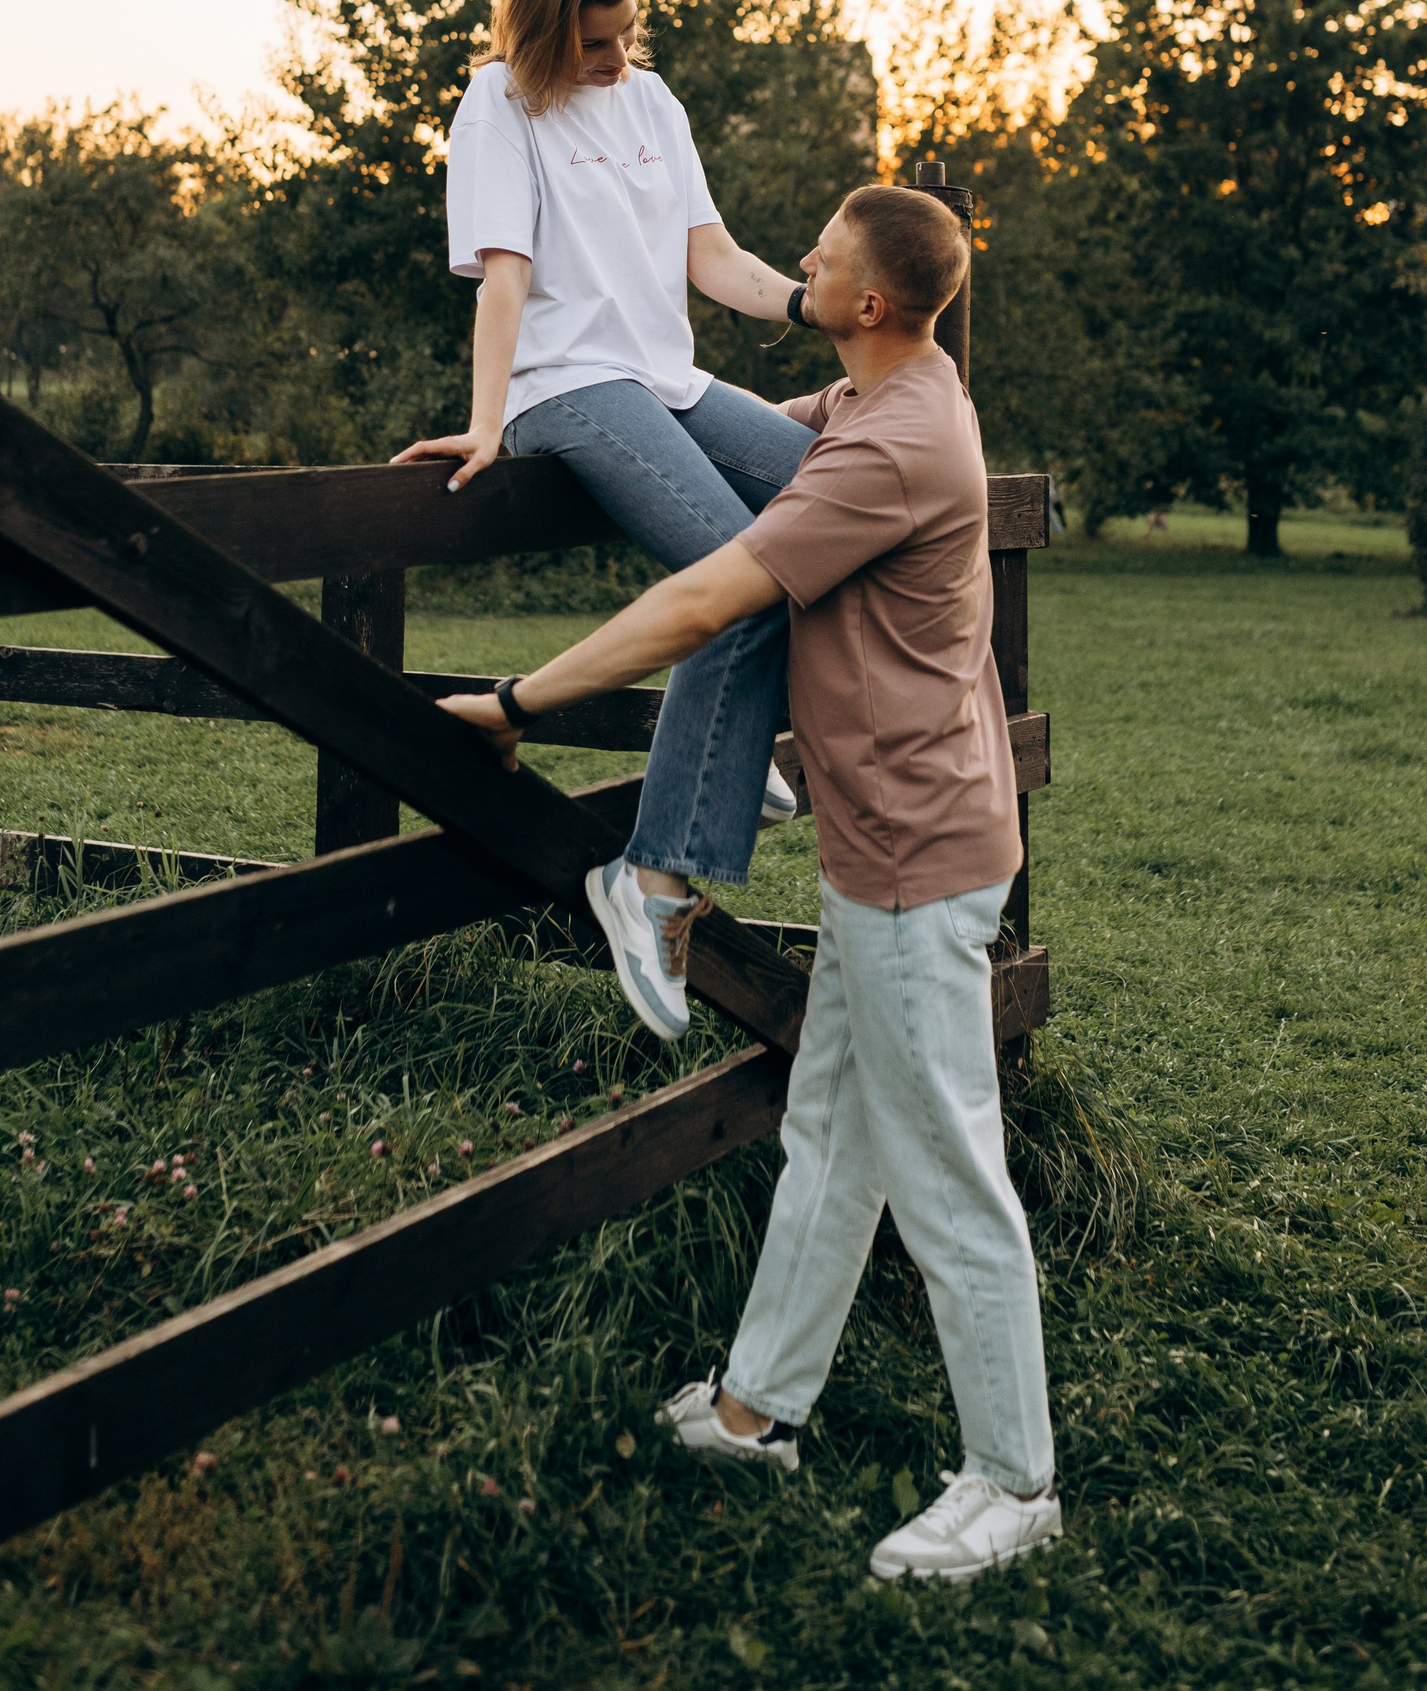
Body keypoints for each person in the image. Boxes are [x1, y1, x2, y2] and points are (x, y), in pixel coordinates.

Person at [438, 183, 1061, 1586]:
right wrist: (566, 425)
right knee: (833, 1137)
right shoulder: (890, 395)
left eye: (820, 263)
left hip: (914, 862)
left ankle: (1014, 1482)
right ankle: (756, 1411)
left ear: (870, 303)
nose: (800, 271)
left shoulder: (891, 446)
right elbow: (731, 431)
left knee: (947, 1172)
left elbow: (705, 599)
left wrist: (520, 699)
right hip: (888, 843)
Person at [395, 0, 818, 1041]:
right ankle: (651, 878)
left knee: (832, 493)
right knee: (741, 579)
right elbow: (504, 278)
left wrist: (805, 304)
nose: (617, 59)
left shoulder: (653, 101)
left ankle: (738, 743)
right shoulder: (498, 108)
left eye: (627, 35)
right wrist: (487, 423)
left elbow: (708, 256)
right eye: (594, 44)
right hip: (569, 385)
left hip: (667, 379)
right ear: (542, 33)